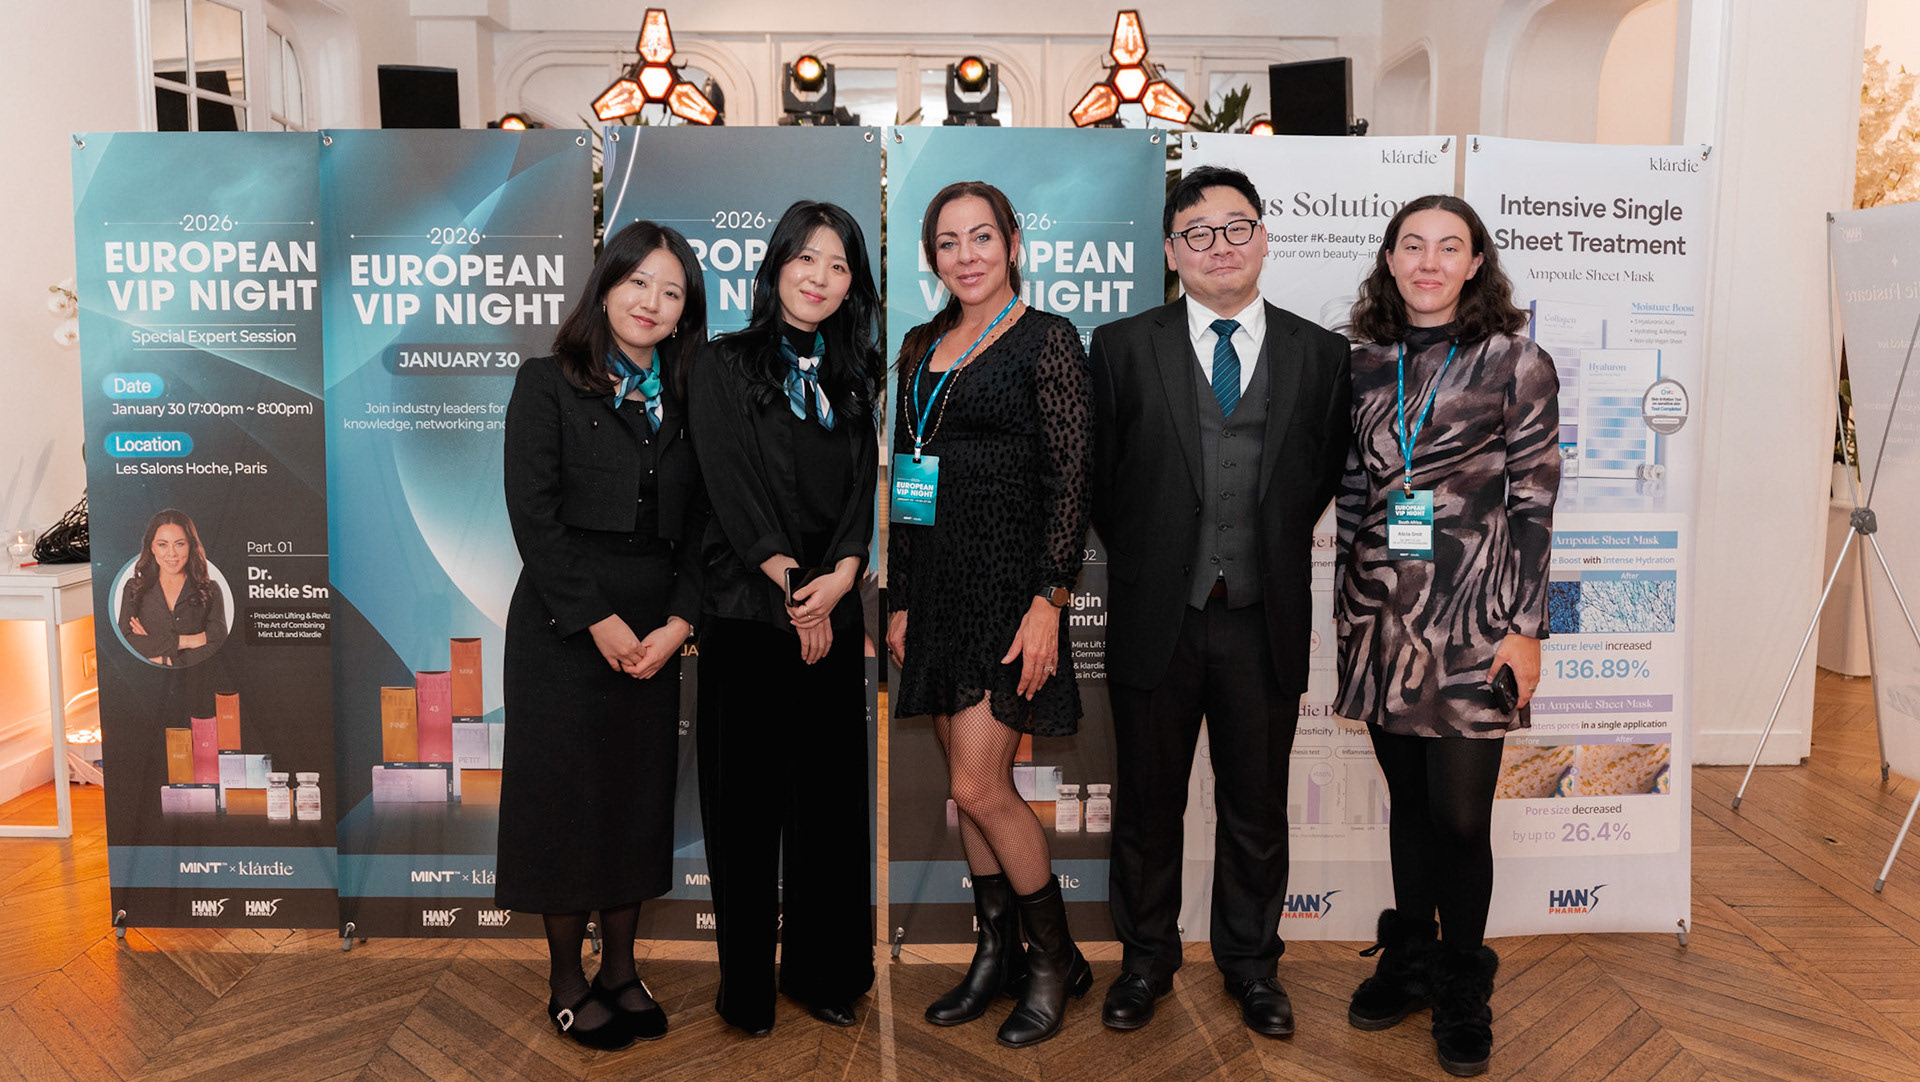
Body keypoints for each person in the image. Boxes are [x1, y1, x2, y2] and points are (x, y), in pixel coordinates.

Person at [1087, 165, 1351, 1038]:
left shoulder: (1321, 354)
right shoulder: (1122, 346)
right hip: (1155, 619)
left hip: (1262, 620)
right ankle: (1144, 961)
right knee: (1147, 806)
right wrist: (1159, 555)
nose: (1220, 246)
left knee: (1256, 808)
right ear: (1172, 251)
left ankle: (1252, 966)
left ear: (1264, 237)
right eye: (1197, 234)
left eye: (1237, 228)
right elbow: (1102, 482)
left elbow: (1317, 476)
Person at [1337, 193, 1559, 1078]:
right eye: (1412, 245)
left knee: (1461, 818)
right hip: (1381, 616)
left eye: (1448, 247)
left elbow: (1535, 500)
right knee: (1411, 806)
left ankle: (1464, 979)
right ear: (1390, 260)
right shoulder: (1359, 362)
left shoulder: (1516, 360)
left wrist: (1528, 630)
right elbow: (1352, 494)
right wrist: (1349, 611)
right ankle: (1412, 957)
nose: (1428, 262)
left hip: (1478, 623)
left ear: (1474, 264)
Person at [887, 181, 1094, 1049]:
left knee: (980, 785)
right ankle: (996, 951)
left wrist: (1050, 601)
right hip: (936, 594)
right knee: (961, 789)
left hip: (1010, 596)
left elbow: (1071, 482)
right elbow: (907, 478)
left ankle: (1055, 962)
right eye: (948, 241)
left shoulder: (1048, 339)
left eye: (981, 236)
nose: (965, 255)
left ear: (1013, 242)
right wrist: (900, 598)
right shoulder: (918, 345)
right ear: (932, 256)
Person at [495, 220, 708, 1051]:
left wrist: (680, 623)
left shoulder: (690, 397)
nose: (652, 302)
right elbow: (534, 518)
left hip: (656, 631)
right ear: (606, 287)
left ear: (686, 310)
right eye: (638, 282)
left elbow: (705, 527)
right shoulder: (546, 383)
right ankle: (566, 980)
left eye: (672, 291)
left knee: (633, 800)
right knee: (563, 801)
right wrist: (600, 622)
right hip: (563, 627)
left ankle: (621, 971)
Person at [688, 200, 882, 1036]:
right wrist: (797, 590)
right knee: (746, 811)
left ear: (852, 286)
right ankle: (746, 991)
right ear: (775, 268)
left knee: (827, 808)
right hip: (747, 615)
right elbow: (731, 490)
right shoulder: (723, 363)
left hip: (832, 612)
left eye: (838, 266)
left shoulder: (855, 375)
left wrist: (841, 579)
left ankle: (822, 972)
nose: (820, 277)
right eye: (806, 258)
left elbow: (861, 494)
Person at [119, 509, 227, 667]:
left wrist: (165, 657)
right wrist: (188, 641)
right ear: (152, 548)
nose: (172, 553)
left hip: (198, 676)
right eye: (162, 545)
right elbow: (126, 641)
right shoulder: (134, 588)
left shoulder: (210, 590)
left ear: (190, 546)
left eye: (179, 544)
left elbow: (218, 642)